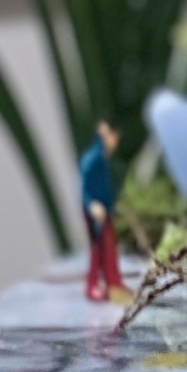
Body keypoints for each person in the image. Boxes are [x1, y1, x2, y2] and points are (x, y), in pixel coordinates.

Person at [78, 121, 122, 301]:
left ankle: (113, 284)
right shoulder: (92, 159)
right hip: (95, 213)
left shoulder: (103, 160)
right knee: (98, 250)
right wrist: (91, 204)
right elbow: (85, 186)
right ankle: (93, 285)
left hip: (106, 211)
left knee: (110, 249)